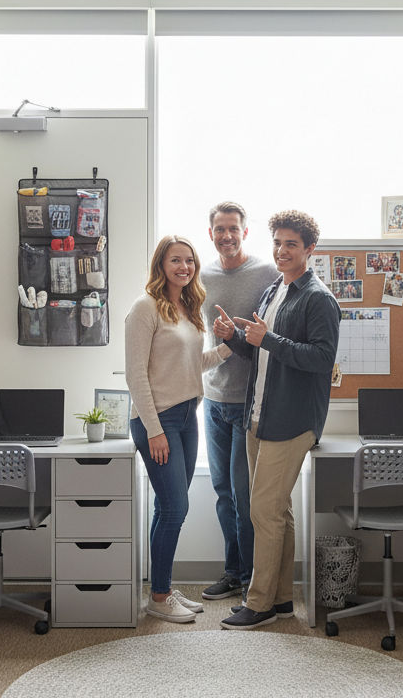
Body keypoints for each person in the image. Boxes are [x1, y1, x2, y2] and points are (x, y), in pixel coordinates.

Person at [213, 209, 340, 629]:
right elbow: (265, 352)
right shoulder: (274, 290)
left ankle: (260, 602)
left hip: (291, 420)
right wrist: (236, 337)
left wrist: (268, 337)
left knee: (263, 512)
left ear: (310, 250)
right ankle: (282, 598)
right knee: (277, 512)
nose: (282, 251)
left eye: (291, 244)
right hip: (259, 414)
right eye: (278, 243)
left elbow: (321, 359)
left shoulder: (318, 298)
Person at [125, 236, 232, 623]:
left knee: (168, 508)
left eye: (189, 261)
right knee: (175, 507)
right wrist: (154, 430)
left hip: (187, 417)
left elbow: (189, 365)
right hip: (159, 420)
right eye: (176, 260)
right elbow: (136, 375)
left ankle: (163, 589)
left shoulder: (187, 308)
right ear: (161, 264)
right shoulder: (145, 307)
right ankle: (158, 596)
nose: (184, 267)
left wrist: (227, 347)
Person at [198, 201, 279, 603]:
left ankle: (252, 580)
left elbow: (276, 329)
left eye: (233, 229)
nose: (226, 236)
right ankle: (233, 572)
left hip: (249, 402)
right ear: (210, 233)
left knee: (244, 494)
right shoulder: (202, 275)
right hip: (211, 398)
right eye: (219, 230)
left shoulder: (267, 273)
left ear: (245, 232)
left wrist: (238, 332)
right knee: (222, 492)